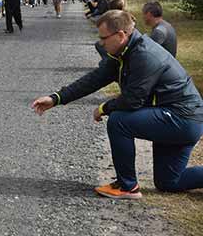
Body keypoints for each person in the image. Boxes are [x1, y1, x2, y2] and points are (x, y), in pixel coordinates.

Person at [32, 10, 203, 199]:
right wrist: (56, 98)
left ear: (121, 35)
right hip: (176, 117)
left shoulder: (145, 55)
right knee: (168, 182)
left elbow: (132, 100)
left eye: (104, 38)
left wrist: (104, 108)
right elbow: (94, 79)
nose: (101, 43)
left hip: (183, 119)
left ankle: (127, 186)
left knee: (119, 121)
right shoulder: (124, 51)